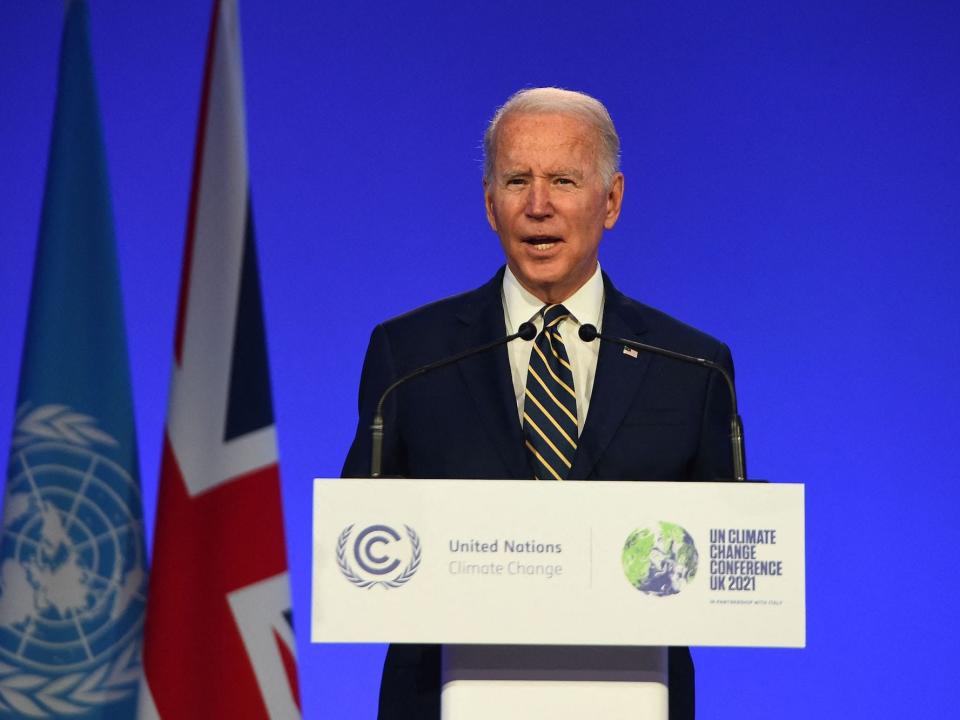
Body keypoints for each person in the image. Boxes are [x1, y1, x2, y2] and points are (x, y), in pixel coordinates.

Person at [342, 87, 735, 720]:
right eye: (516, 180)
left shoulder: (690, 367)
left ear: (611, 201)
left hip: (633, 697)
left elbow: (722, 554)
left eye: (564, 180)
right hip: (443, 696)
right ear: (489, 205)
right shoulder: (409, 355)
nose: (539, 207)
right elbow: (361, 540)